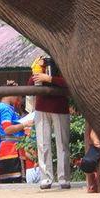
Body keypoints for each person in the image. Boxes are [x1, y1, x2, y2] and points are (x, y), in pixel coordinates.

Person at [30, 55, 72, 190]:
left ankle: (63, 178)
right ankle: (45, 178)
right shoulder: (40, 64)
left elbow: (70, 82)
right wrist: (37, 70)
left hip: (60, 107)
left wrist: (50, 79)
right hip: (41, 108)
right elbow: (31, 83)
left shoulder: (63, 61)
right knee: (42, 144)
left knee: (62, 144)